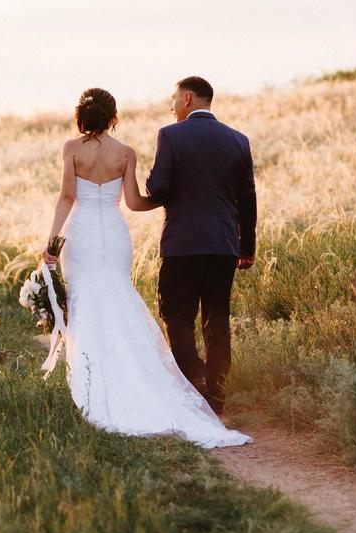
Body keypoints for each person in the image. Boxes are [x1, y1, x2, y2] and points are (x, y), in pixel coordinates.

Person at [41, 87, 250, 448]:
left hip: (82, 234)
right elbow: (135, 203)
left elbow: (67, 197)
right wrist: (173, 196)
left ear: (81, 116)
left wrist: (52, 244)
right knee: (118, 297)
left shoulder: (71, 149)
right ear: (113, 118)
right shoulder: (126, 153)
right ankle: (148, 380)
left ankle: (91, 379)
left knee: (85, 302)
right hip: (116, 235)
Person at [138, 76, 257, 414]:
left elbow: (158, 189)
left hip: (183, 243)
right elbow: (247, 198)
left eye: (174, 99)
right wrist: (246, 246)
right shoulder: (238, 139)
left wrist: (154, 180)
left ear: (187, 99)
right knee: (216, 317)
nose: (172, 106)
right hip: (223, 243)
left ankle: (195, 383)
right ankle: (217, 393)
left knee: (176, 314)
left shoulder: (170, 135)